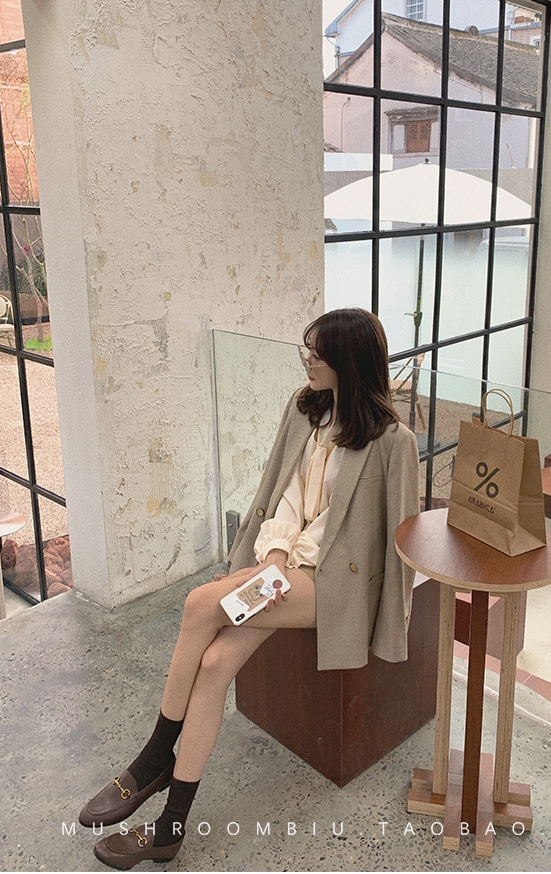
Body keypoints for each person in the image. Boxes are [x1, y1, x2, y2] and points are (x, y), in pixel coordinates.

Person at [80, 308, 420, 869]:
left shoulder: (393, 441)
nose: (308, 361)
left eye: (318, 354)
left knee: (198, 603)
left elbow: (400, 537)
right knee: (215, 665)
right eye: (307, 351)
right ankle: (170, 828)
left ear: (349, 361)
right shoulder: (306, 408)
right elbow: (282, 491)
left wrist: (389, 628)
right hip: (285, 569)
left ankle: (153, 759)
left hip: (335, 586)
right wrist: (275, 558)